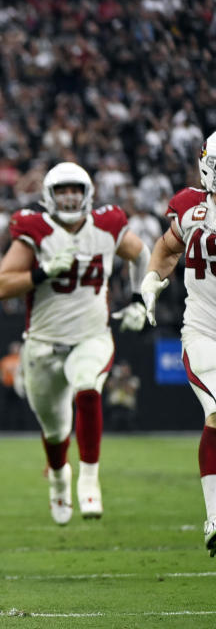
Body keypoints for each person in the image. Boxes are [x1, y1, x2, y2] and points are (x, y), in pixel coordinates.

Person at [0, 162, 150, 525]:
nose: (69, 196)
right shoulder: (35, 229)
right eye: (62, 190)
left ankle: (90, 479)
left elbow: (141, 254)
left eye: (75, 189)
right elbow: (1, 286)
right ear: (49, 195)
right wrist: (43, 272)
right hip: (44, 345)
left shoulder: (107, 225)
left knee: (88, 389)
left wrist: (142, 301)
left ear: (87, 193)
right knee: (54, 431)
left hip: (91, 336)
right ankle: (60, 479)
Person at [140, 130, 216, 556]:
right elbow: (168, 248)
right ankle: (215, 516)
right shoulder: (192, 208)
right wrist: (152, 280)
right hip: (204, 333)